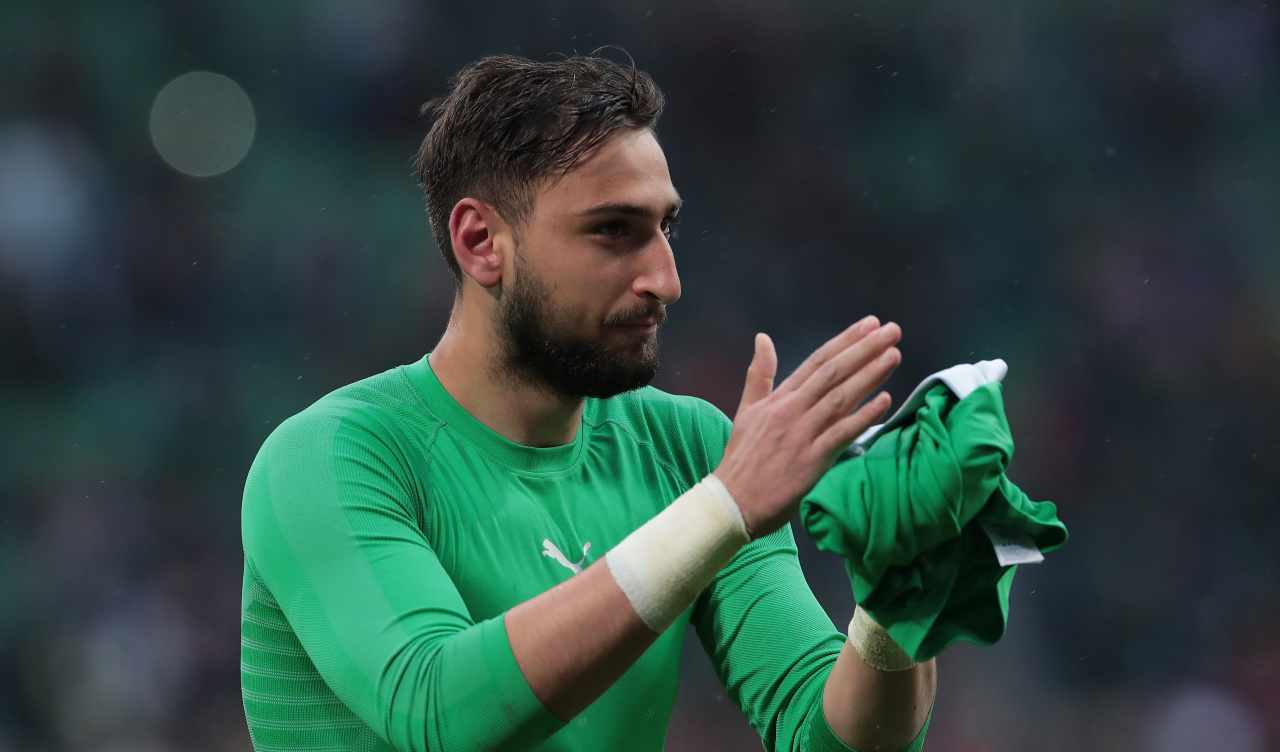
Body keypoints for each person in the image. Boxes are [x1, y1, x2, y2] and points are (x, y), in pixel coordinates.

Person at [240, 52, 935, 752]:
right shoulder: (332, 456)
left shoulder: (690, 449)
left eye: (667, 229)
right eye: (614, 231)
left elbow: (831, 738)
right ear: (481, 243)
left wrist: (897, 602)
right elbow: (438, 712)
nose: (666, 279)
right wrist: (723, 508)